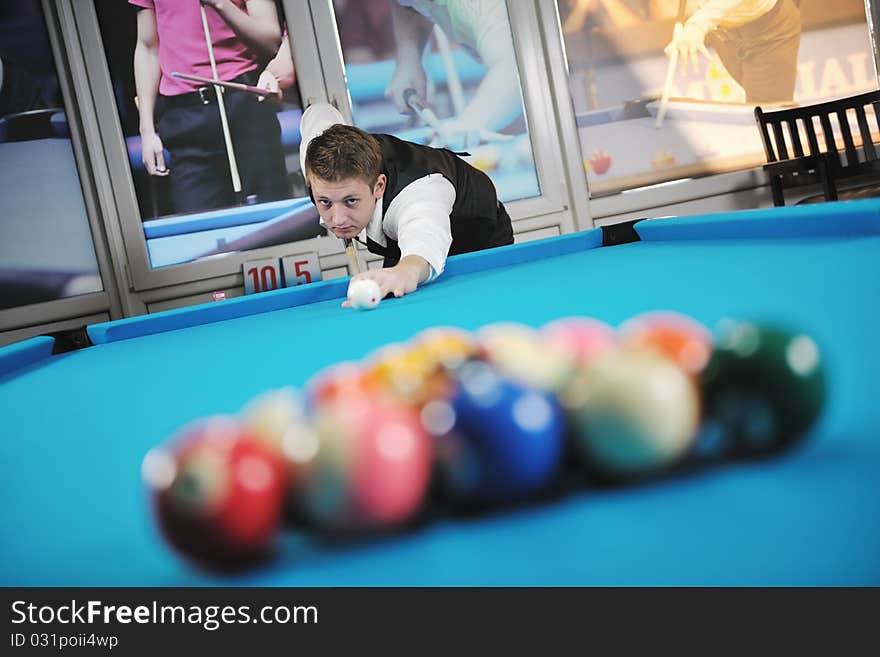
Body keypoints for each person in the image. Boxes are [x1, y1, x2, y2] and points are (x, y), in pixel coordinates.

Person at [299, 102, 514, 304]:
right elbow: (317, 112)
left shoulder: (419, 195)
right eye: (325, 202)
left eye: (351, 201)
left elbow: (424, 241)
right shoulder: (316, 160)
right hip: (403, 241)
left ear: (378, 186)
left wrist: (407, 271)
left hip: (477, 232)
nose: (337, 219)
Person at [130, 0, 291, 214]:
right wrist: (147, 130)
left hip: (244, 104)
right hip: (185, 119)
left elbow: (271, 41)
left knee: (273, 217)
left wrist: (221, 4)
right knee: (201, 229)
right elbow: (148, 47)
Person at [385, 0, 523, 150]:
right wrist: (409, 57)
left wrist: (471, 122)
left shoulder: (479, 6)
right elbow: (407, 4)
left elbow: (518, 65)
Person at [663, 0, 802, 103]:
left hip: (769, 28)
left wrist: (697, 24)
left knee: (770, 120)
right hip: (722, 30)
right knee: (757, 110)